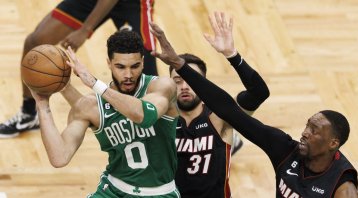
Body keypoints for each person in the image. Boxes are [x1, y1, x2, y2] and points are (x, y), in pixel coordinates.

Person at [150, 12, 358, 198]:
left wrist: (227, 56)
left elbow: (247, 98)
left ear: (333, 143)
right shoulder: (286, 150)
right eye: (177, 81)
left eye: (313, 131)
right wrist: (181, 65)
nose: (304, 133)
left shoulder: (342, 187)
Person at [30, 30, 180, 197]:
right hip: (113, 190)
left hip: (160, 193)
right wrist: (42, 106)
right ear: (109, 63)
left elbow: (144, 117)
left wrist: (95, 84)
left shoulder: (162, 87)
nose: (128, 75)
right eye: (120, 67)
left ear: (143, 63)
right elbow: (59, 157)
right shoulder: (91, 106)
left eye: (135, 66)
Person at [0, 0, 158, 138]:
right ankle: (28, 114)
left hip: (134, 3)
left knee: (146, 65)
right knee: (35, 42)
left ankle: (165, 128)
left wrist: (85, 30)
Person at [170, 13, 269, 197]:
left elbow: (259, 93)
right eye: (177, 80)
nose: (184, 86)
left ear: (203, 84)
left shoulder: (220, 118)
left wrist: (232, 55)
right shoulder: (161, 119)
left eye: (192, 80)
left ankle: (233, 145)